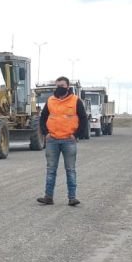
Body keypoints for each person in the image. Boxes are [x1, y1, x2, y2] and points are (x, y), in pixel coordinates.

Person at [37, 76, 89, 206]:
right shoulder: (50, 101)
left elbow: (83, 119)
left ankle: (72, 198)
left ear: (67, 86)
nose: (59, 88)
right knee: (51, 170)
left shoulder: (75, 101)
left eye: (62, 86)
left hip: (68, 141)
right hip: (52, 141)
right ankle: (48, 197)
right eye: (58, 86)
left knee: (70, 170)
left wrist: (76, 135)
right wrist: (46, 133)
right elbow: (43, 118)